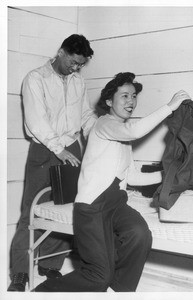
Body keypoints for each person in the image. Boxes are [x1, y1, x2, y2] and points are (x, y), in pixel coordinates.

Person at [34, 72, 191, 292]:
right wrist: (169, 107)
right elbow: (135, 131)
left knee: (139, 234)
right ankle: (42, 292)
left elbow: (133, 177)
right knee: (99, 277)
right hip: (92, 208)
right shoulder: (104, 124)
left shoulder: (123, 139)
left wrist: (168, 177)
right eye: (124, 96)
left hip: (116, 205)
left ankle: (120, 291)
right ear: (109, 101)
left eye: (134, 96)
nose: (131, 101)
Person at [8, 34, 97, 292]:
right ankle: (20, 273)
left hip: (70, 146)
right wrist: (58, 149)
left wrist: (100, 133)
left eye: (81, 64)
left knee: (66, 208)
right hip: (45, 147)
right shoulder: (35, 79)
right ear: (61, 52)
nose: (76, 68)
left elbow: (84, 116)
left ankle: (50, 265)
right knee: (31, 211)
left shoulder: (78, 81)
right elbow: (36, 121)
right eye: (73, 62)